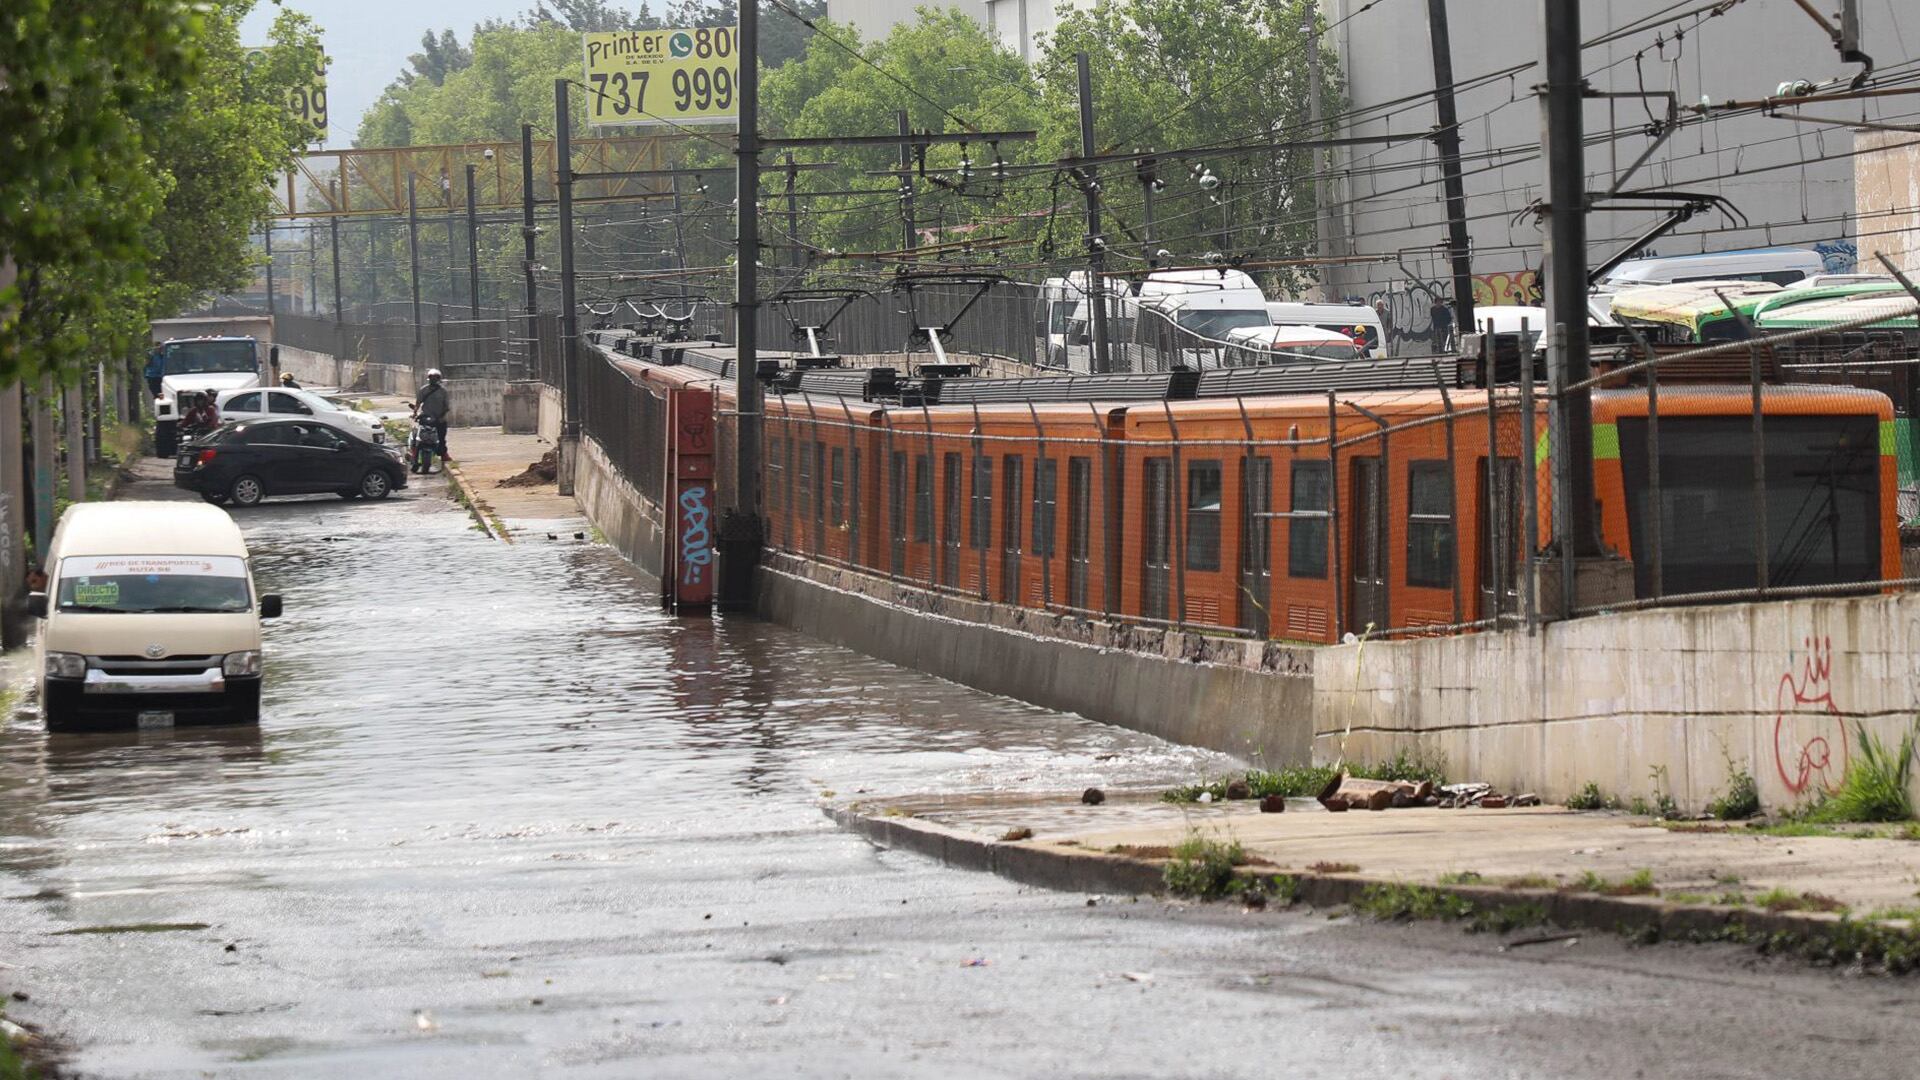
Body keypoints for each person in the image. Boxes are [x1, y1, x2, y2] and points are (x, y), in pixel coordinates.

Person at [412, 368, 450, 472]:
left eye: (436, 378)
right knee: (416, 437)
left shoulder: (443, 392)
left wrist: (441, 417)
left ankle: (443, 455)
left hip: (439, 419)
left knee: (441, 438)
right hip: (425, 418)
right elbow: (418, 403)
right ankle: (414, 457)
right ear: (428, 378)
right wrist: (415, 413)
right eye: (431, 377)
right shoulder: (423, 390)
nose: (433, 379)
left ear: (439, 379)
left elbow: (446, 407)